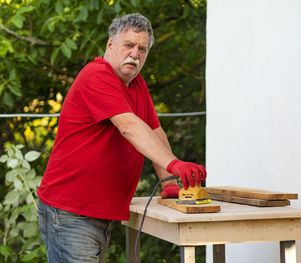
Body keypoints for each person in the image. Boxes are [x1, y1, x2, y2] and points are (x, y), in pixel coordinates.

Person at [37, 13, 206, 263]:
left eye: (142, 49)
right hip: (70, 213)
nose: (135, 54)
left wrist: (169, 181)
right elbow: (129, 126)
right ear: (110, 44)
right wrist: (174, 164)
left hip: (95, 213)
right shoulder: (97, 75)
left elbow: (154, 131)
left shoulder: (137, 84)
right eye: (129, 45)